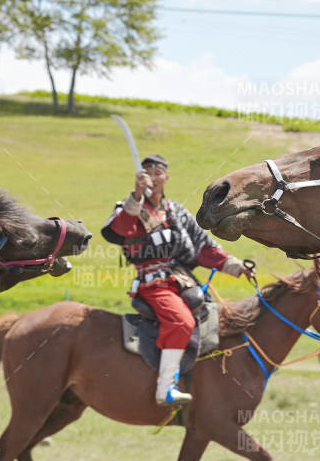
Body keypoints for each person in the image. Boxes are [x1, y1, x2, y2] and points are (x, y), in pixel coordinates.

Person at [101, 153, 245, 405]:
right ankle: (164, 389)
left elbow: (202, 247)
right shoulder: (130, 208)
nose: (153, 179)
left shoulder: (175, 211)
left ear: (166, 177)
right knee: (181, 323)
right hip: (153, 284)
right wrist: (136, 195)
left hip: (182, 282)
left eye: (158, 174)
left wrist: (236, 266)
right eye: (148, 174)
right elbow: (121, 229)